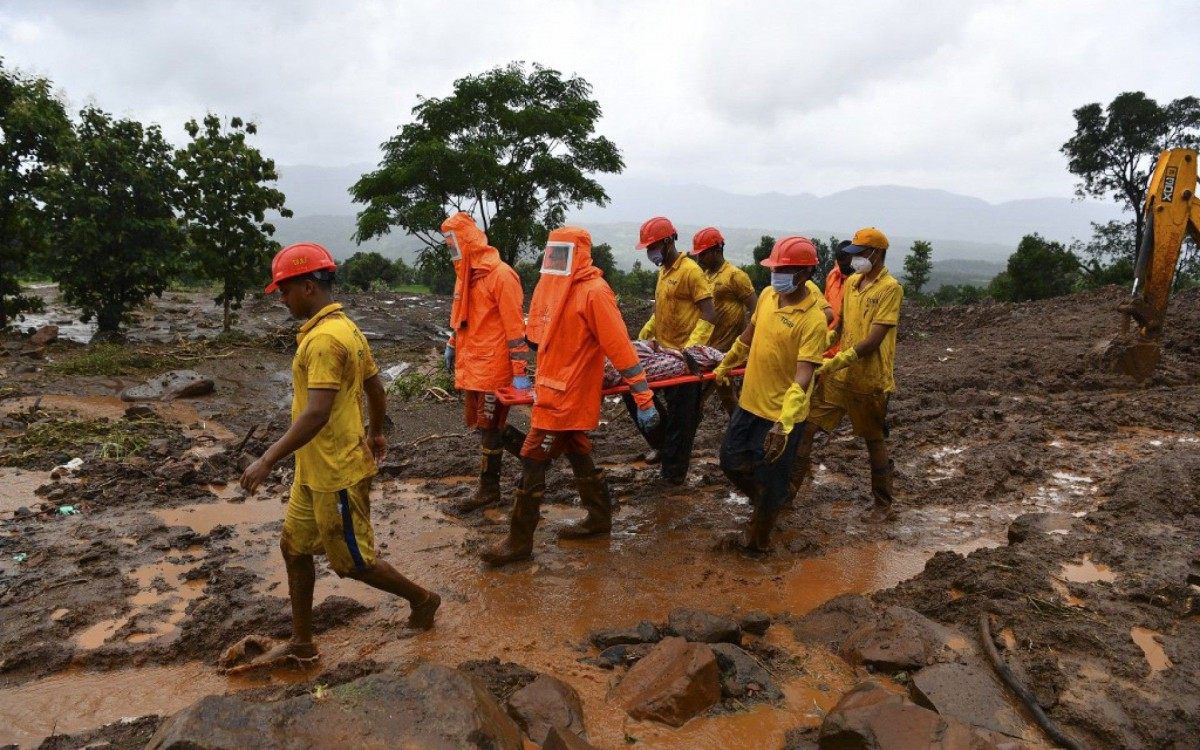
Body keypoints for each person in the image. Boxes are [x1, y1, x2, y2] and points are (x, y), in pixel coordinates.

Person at [234, 242, 440, 673]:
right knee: (294, 548)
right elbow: (376, 389)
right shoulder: (345, 327)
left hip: (336, 472)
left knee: (352, 562)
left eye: (285, 291)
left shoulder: (326, 340)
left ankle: (423, 599)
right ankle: (302, 642)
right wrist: (377, 432)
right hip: (313, 470)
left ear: (308, 286)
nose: (283, 299)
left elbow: (317, 412)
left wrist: (267, 458)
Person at [480, 227, 660, 566]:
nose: (554, 260)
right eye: (552, 253)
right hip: (551, 388)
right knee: (579, 452)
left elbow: (619, 346)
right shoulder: (553, 287)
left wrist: (644, 397)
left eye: (561, 253)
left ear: (577, 253)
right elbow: (537, 336)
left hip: (568, 396)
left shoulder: (594, 292)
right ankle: (599, 517)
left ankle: (519, 540)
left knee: (533, 459)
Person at [712, 236, 828, 552]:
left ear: (805, 273)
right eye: (774, 268)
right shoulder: (766, 296)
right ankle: (767, 503)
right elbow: (749, 334)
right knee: (730, 461)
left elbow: (804, 375)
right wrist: (728, 360)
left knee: (772, 478)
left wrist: (785, 422)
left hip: (781, 416)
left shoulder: (813, 319)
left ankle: (760, 544)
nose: (775, 275)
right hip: (750, 404)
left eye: (784, 269)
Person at [798, 227, 903, 522]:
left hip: (869, 379)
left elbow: (873, 340)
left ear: (878, 254)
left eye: (861, 254)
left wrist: (835, 362)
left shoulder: (890, 289)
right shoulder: (853, 282)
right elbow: (842, 329)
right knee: (807, 426)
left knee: (873, 440)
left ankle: (883, 506)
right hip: (839, 376)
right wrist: (824, 346)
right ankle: (787, 496)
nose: (855, 261)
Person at [440, 212, 529, 513]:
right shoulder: (465, 279)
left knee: (491, 427)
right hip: (474, 363)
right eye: (448, 244)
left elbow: (516, 330)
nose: (451, 249)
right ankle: (535, 458)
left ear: (467, 242)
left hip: (494, 367)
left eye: (454, 243)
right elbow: (463, 318)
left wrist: (520, 372)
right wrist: (452, 343)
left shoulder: (501, 276)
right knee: (485, 426)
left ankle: (489, 489)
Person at [628, 216, 717, 484]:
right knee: (636, 395)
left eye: (652, 246)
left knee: (682, 418)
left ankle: (674, 475)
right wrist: (646, 332)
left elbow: (709, 314)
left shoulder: (691, 271)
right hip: (662, 354)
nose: (649, 252)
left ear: (668, 242)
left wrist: (692, 350)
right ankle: (667, 447)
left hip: (684, 359)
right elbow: (662, 310)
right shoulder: (664, 272)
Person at [691, 227, 757, 414]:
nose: (699, 259)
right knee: (707, 394)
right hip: (708, 347)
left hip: (728, 349)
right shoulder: (705, 277)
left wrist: (750, 344)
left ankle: (739, 433)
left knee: (725, 393)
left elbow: (756, 311)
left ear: (717, 250)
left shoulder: (735, 276)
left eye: (703, 254)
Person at [823, 239, 855, 356]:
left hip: (848, 346)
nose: (842, 268)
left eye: (846, 264)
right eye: (840, 264)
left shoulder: (862, 282)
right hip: (829, 342)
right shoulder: (832, 275)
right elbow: (825, 304)